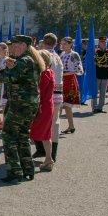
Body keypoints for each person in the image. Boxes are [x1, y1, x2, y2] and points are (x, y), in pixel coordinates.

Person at [0, 35, 44, 183]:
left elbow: (10, 78)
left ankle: (15, 172)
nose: (11, 49)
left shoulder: (24, 60)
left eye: (14, 45)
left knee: (9, 135)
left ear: (23, 45)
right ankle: (27, 169)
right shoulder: (29, 60)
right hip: (28, 104)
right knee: (22, 136)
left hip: (20, 104)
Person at [34, 33, 64, 162]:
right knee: (55, 123)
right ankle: (52, 153)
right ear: (56, 44)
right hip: (57, 93)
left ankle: (42, 149)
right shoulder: (58, 56)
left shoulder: (42, 55)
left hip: (45, 94)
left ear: (43, 43)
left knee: (38, 121)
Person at [29, 50, 55, 171]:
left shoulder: (44, 74)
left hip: (42, 106)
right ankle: (48, 159)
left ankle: (48, 159)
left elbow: (39, 92)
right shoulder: (50, 72)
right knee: (46, 134)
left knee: (41, 134)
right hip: (47, 106)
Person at [59, 37, 83, 134]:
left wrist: (64, 74)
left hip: (69, 81)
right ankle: (63, 126)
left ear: (70, 44)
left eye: (65, 44)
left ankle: (70, 126)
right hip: (61, 80)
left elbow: (79, 70)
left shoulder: (74, 55)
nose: (63, 46)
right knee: (59, 104)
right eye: (62, 44)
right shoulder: (62, 54)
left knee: (67, 105)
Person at [92, 37, 108, 113]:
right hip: (97, 75)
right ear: (99, 43)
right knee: (95, 92)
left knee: (103, 92)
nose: (104, 44)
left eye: (105, 42)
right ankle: (94, 107)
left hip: (105, 75)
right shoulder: (95, 52)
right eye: (102, 43)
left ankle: (100, 107)